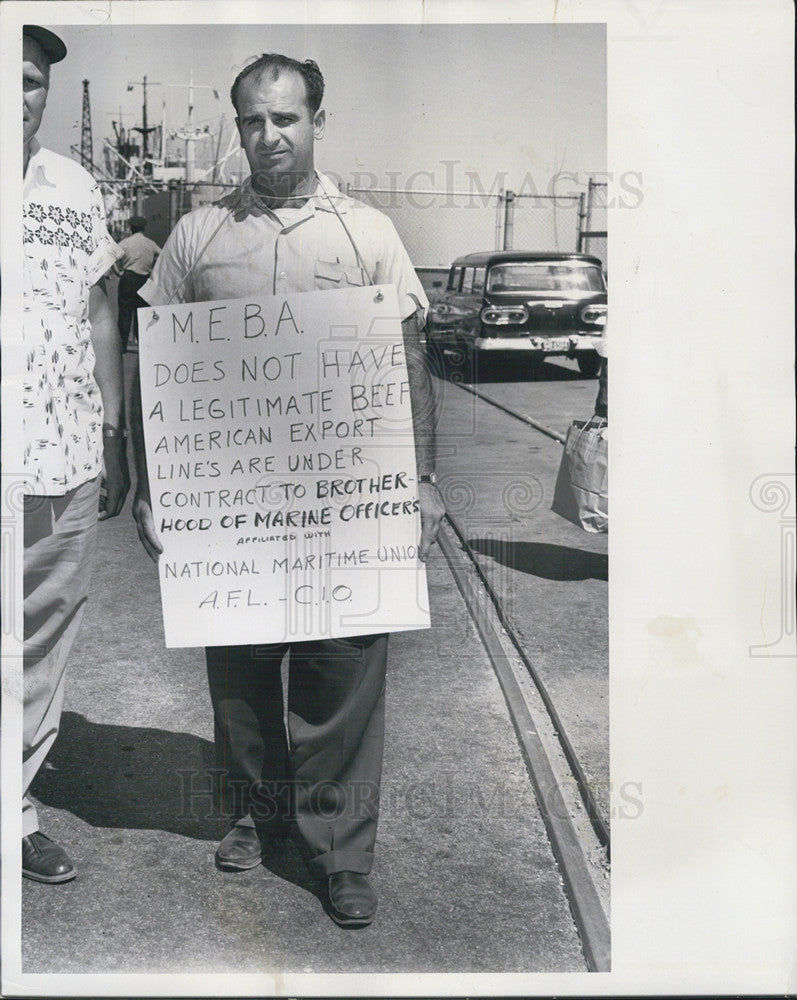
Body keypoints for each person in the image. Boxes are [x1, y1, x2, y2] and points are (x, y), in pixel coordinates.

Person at [130, 52, 445, 926]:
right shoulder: (197, 236)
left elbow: (409, 360)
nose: (268, 137)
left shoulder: (368, 233)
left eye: (285, 118)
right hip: (229, 501)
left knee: (342, 666)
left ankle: (340, 852)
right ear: (238, 129)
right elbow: (152, 361)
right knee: (236, 661)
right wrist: (154, 486)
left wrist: (420, 478)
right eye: (251, 122)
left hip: (342, 499)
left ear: (315, 120)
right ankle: (251, 811)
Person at [22, 25, 129, 883]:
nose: (13, 96)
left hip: (64, 454)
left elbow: (101, 310)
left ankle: (14, 809)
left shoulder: (73, 186)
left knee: (43, 640)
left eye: (28, 82)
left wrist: (113, 427)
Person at [113, 215, 160, 352]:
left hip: (128, 279)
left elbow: (111, 256)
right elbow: (161, 255)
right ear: (143, 228)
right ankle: (144, 346)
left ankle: (122, 346)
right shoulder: (150, 243)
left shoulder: (125, 243)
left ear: (131, 228)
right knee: (143, 314)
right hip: (144, 280)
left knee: (125, 313)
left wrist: (118, 272)